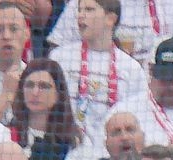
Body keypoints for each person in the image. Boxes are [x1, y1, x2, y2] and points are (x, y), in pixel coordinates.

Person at [50, 0, 150, 146]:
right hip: (65, 145)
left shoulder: (131, 68)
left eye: (89, 10)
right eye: (79, 10)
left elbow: (140, 115)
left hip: (111, 149)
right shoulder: (60, 57)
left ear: (110, 19)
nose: (80, 15)